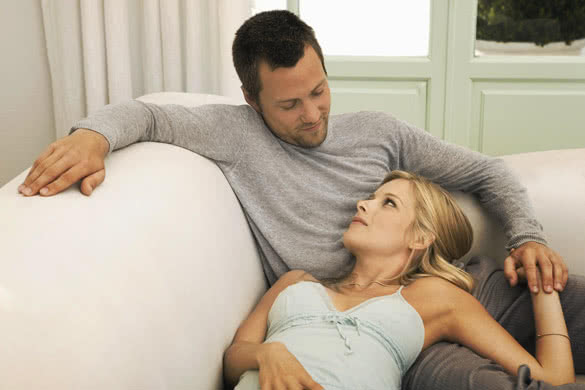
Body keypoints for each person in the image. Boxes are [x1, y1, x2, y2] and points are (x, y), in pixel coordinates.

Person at [16, 10, 584, 389]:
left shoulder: (379, 132)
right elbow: (147, 113)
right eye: (290, 105)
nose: (312, 115)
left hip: (449, 279)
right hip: (390, 329)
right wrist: (92, 136)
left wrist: (528, 237)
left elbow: (488, 171)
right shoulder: (235, 136)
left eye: (319, 91)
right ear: (251, 98)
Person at [223, 171, 574, 390]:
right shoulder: (293, 283)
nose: (363, 205)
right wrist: (268, 354)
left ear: (420, 238)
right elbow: (233, 359)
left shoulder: (433, 297)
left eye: (387, 203)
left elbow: (553, 379)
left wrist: (543, 287)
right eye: (371, 198)